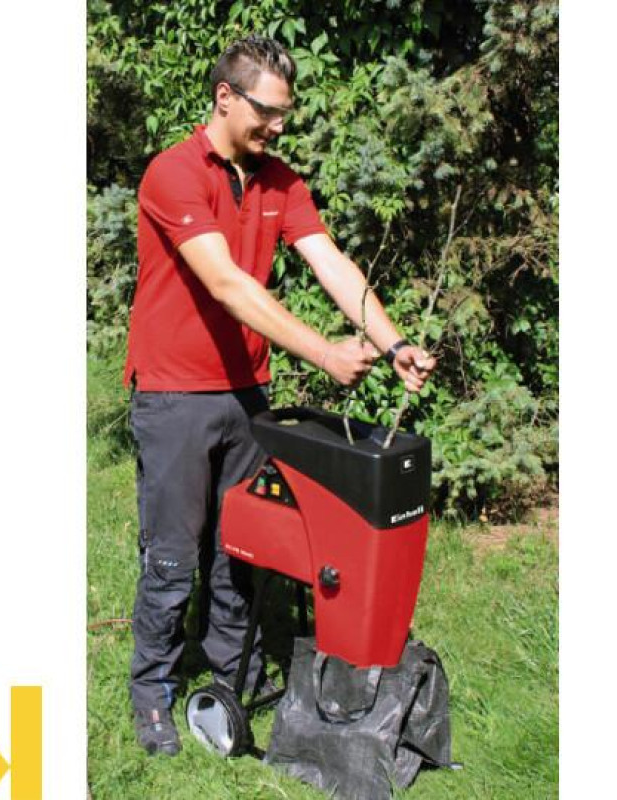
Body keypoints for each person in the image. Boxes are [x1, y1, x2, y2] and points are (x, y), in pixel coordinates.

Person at [124, 33, 436, 756]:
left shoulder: (280, 181)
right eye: (267, 111)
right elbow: (227, 284)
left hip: (248, 395)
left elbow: (330, 262)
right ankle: (152, 693)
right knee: (172, 557)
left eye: (285, 113)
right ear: (225, 97)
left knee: (241, 546)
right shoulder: (173, 173)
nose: (279, 126)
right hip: (174, 395)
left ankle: (229, 673)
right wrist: (324, 352)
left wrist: (392, 344)